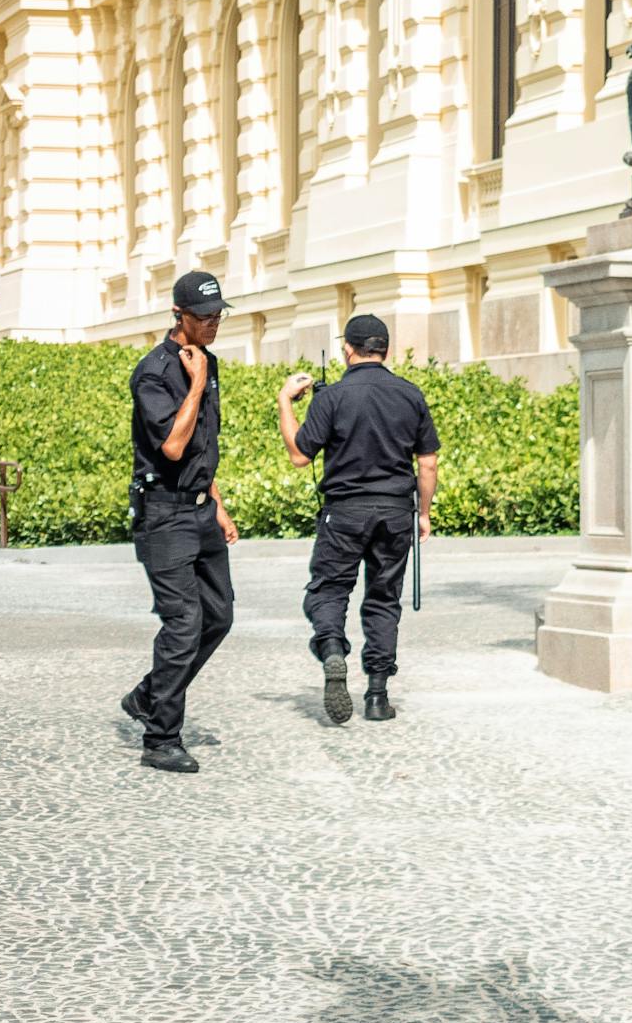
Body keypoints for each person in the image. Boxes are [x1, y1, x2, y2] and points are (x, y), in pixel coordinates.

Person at [276, 314, 439, 725]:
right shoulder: (410, 394)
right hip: (396, 512)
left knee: (328, 590)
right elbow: (429, 463)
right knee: (384, 599)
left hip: (344, 512)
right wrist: (424, 513)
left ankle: (332, 648)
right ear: (385, 349)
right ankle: (378, 696)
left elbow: (299, 455)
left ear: (348, 349)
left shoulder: (330, 398)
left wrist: (285, 401)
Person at [121, 270, 240, 774]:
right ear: (179, 316)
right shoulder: (153, 372)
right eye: (205, 317)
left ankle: (150, 694)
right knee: (183, 623)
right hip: (163, 513)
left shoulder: (210, 362)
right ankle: (160, 738)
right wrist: (192, 385)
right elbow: (172, 444)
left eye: (218, 316)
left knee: (219, 615)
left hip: (198, 507)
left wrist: (217, 501)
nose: (213, 325)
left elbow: (201, 447)